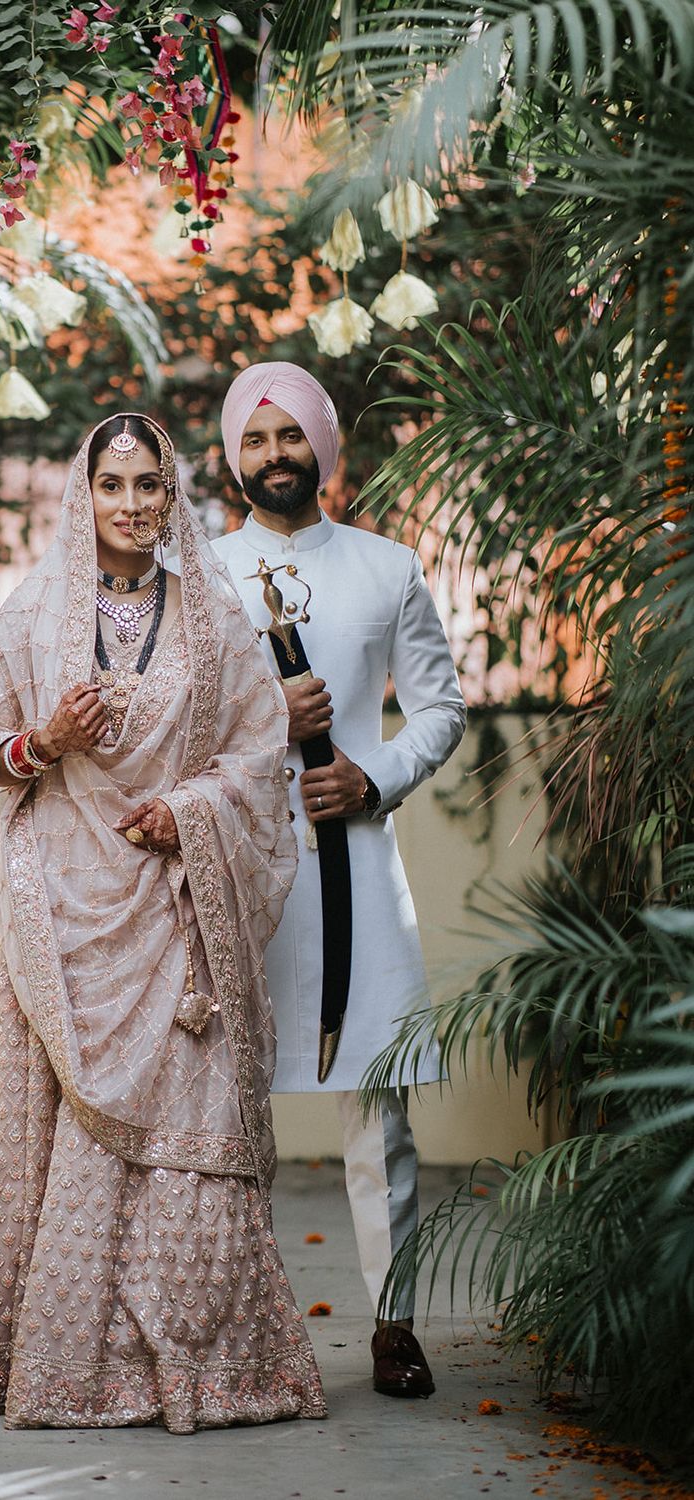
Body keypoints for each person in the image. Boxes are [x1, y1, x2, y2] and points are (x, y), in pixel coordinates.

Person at [0, 412, 326, 1433]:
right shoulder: (33, 615)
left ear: (172, 496)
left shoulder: (215, 622)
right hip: (61, 917)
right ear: (80, 495)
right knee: (44, 1145)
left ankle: (189, 1362)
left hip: (172, 914)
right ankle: (36, 1366)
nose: (131, 506)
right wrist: (43, 739)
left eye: (150, 487)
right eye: (113, 485)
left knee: (185, 1138)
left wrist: (186, 811)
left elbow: (255, 755)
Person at [212, 363, 467, 1400]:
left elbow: (442, 710)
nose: (275, 456)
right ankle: (228, 1325)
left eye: (291, 436)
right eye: (255, 440)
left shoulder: (386, 566)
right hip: (238, 870)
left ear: (323, 444)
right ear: (233, 456)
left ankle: (393, 1324)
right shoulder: (197, 573)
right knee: (222, 1117)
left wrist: (373, 776)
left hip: (356, 866)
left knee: (380, 1115)